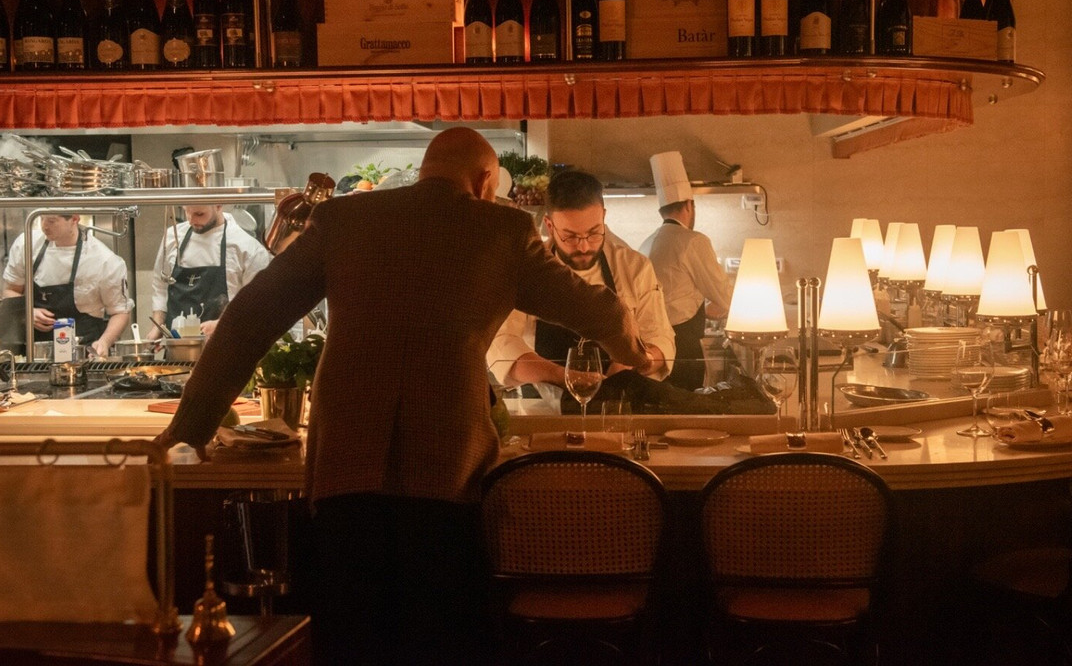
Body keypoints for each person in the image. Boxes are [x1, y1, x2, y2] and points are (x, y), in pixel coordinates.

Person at [153, 128, 650, 665]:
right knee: (439, 641)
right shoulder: (502, 230)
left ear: (424, 170)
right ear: (485, 181)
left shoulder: (344, 220)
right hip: (446, 473)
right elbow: (599, 312)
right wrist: (638, 355)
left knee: (351, 641)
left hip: (346, 470)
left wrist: (190, 427)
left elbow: (250, 317)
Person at [487, 169, 676, 413]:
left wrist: (634, 361)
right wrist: (563, 376)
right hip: (543, 411)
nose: (584, 246)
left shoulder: (634, 267)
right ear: (549, 225)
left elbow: (660, 337)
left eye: (594, 233)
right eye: (571, 237)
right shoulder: (525, 268)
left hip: (617, 411)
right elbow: (502, 343)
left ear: (603, 216)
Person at [639, 151, 734, 390]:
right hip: (681, 347)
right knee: (685, 405)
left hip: (650, 348)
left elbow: (674, 294)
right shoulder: (693, 241)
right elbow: (724, 294)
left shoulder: (647, 243)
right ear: (690, 205)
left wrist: (705, 308)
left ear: (662, 211)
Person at [1, 213, 132, 357]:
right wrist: (26, 312)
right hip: (35, 353)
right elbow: (10, 290)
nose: (44, 226)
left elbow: (120, 312)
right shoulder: (26, 244)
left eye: (51, 221)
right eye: (41, 219)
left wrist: (104, 342)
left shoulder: (104, 260)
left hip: (83, 351)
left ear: (74, 219)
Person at [146, 205, 270, 339]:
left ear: (218, 205)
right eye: (187, 213)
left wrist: (222, 325)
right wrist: (157, 327)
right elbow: (161, 288)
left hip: (224, 344)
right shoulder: (173, 237)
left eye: (199, 214)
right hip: (177, 347)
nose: (191, 220)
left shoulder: (247, 247)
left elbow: (257, 304)